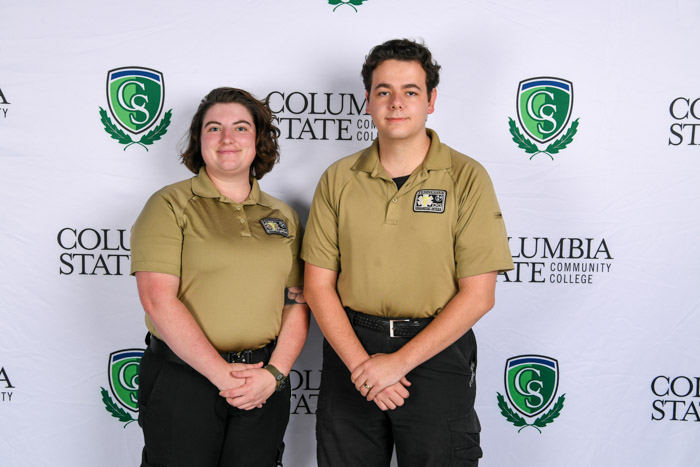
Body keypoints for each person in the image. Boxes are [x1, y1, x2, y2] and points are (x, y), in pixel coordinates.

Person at [301, 39, 514, 466]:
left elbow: (479, 294)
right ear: (368, 101)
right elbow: (317, 285)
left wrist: (396, 364)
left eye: (411, 91)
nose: (396, 103)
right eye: (384, 91)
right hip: (351, 352)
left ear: (431, 100)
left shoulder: (467, 177)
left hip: (434, 351)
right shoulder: (338, 178)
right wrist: (365, 366)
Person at [130, 87, 309, 467]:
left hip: (262, 381)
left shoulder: (284, 215)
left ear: (258, 140)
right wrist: (223, 377)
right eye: (214, 128)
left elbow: (297, 301)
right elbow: (158, 300)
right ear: (199, 140)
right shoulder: (168, 205)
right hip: (185, 378)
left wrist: (274, 374)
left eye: (240, 128)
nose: (227, 138)